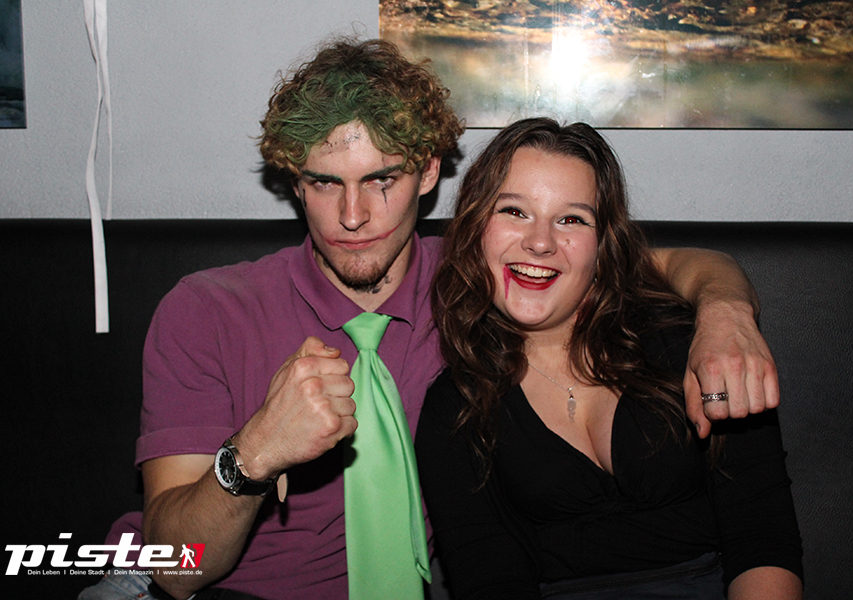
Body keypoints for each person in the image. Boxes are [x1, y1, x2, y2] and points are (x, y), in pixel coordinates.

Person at [80, 40, 780, 600]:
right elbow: (177, 570)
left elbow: (654, 263)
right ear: (295, 181)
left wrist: (725, 314)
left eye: (380, 179)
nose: (353, 216)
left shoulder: (491, 274)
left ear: (427, 171)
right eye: (325, 182)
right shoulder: (208, 309)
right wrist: (254, 454)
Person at [416, 117, 804, 599]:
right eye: (514, 211)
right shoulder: (456, 406)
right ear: (476, 229)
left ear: (602, 246)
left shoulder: (691, 347)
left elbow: (763, 536)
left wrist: (726, 310)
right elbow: (489, 579)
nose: (541, 241)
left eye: (571, 219)